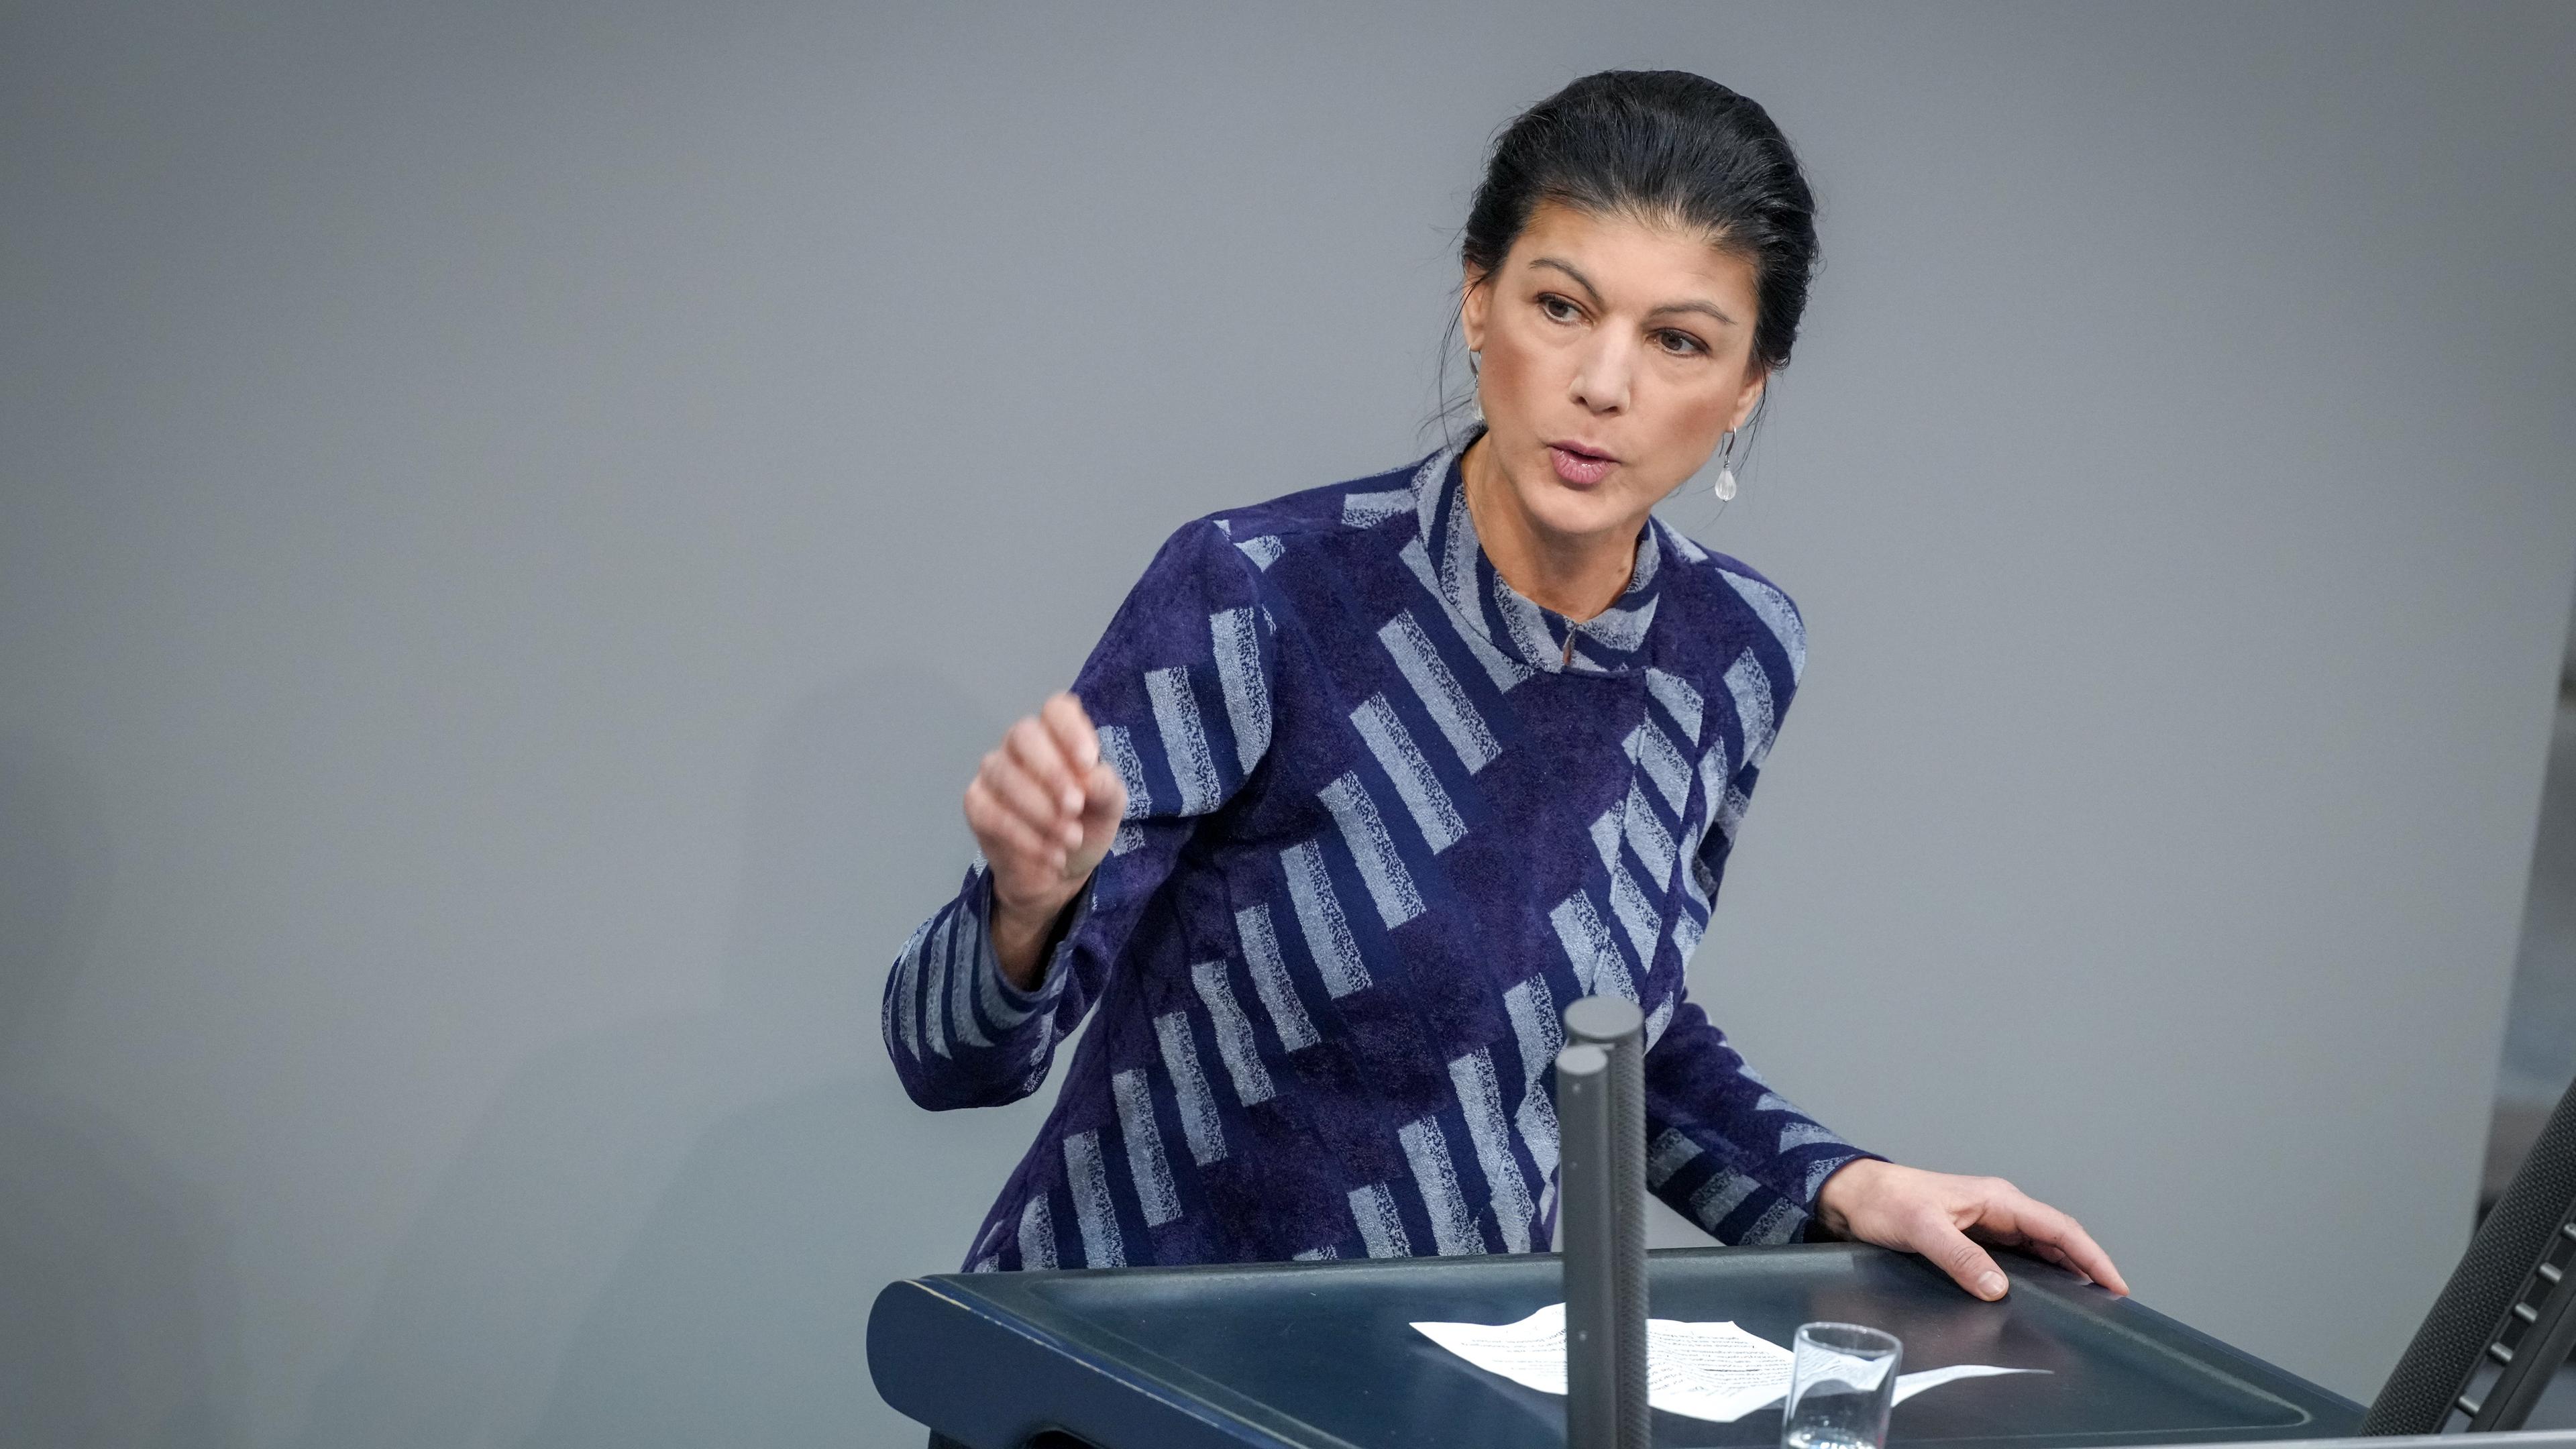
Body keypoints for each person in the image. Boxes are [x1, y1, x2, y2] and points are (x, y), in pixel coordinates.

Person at [883, 69, 2125, 1306]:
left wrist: (1846, 1183)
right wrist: (1025, 910)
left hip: (1450, 1382)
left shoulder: (1733, 648)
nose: (1605, 385)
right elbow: (946, 1058)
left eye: (1680, 340)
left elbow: (1593, 1038)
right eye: (1563, 307)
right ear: (1480, 303)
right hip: (1130, 1370)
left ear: (1750, 385)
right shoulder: (1263, 589)